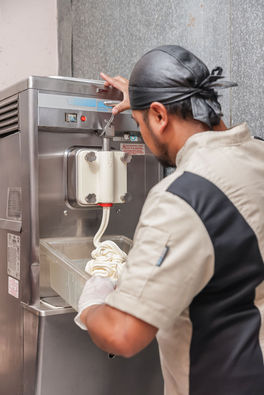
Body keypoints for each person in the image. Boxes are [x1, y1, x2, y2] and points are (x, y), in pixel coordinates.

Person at [75, 45, 264, 395]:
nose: (142, 137)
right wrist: (146, 100)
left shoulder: (183, 197)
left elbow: (122, 334)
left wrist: (92, 304)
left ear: (160, 116)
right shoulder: (257, 155)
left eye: (140, 123)